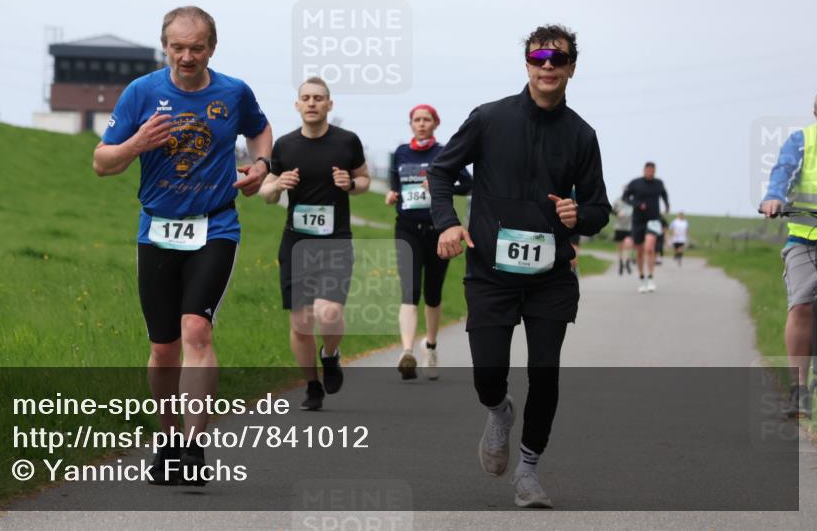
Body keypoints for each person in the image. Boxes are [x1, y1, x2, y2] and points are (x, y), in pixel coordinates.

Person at [428, 25, 610, 509]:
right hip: (490, 271)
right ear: (527, 63)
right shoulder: (489, 118)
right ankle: (499, 412)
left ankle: (528, 471)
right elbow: (443, 170)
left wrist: (580, 216)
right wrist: (447, 223)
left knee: (544, 372)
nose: (547, 65)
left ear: (572, 67)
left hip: (551, 277)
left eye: (558, 58)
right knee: (489, 373)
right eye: (539, 56)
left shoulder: (581, 135)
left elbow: (599, 209)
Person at [93, 6, 272, 485]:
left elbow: (259, 128)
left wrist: (261, 166)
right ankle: (168, 440)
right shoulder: (142, 93)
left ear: (212, 48)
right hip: (157, 229)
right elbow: (102, 162)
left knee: (197, 330)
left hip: (215, 227)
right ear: (164, 46)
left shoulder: (233, 92)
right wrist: (135, 145)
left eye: (197, 47)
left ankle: (194, 446)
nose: (187, 56)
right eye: (178, 47)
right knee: (163, 348)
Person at [259, 77, 370, 411]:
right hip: (296, 243)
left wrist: (350, 183)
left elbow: (364, 179)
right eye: (305, 98)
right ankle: (312, 385)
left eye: (318, 98)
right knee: (301, 322)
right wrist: (278, 184)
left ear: (329, 105)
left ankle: (331, 354)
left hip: (335, 240)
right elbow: (266, 193)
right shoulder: (285, 146)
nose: (311, 103)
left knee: (330, 311)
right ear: (297, 105)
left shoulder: (347, 142)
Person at [386, 104, 472, 380]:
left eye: (426, 120)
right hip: (407, 229)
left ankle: (431, 347)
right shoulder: (400, 153)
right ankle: (407, 351)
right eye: (416, 120)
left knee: (433, 293)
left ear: (436, 123)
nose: (421, 124)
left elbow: (467, 185)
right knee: (409, 290)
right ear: (410, 124)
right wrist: (392, 195)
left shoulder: (444, 153)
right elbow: (395, 184)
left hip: (438, 229)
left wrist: (440, 187)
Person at [760, 91, 817, 419]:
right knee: (801, 305)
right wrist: (773, 198)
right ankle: (798, 390)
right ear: (815, 112)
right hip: (805, 238)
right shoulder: (802, 142)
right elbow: (783, 172)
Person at [623, 162, 670, 293]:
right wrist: (637, 204)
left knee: (649, 248)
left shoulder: (659, 183)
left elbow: (664, 194)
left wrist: (667, 204)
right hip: (638, 220)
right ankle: (641, 277)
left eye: (652, 171)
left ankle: (650, 277)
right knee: (639, 252)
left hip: (654, 220)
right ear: (644, 170)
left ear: (654, 171)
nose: (650, 172)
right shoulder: (635, 183)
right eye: (648, 170)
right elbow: (625, 197)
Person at [611, 189, 634, 275]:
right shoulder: (618, 200)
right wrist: (617, 213)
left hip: (629, 227)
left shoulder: (633, 201)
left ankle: (628, 261)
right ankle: (621, 263)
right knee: (620, 247)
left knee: (628, 244)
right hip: (619, 227)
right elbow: (611, 210)